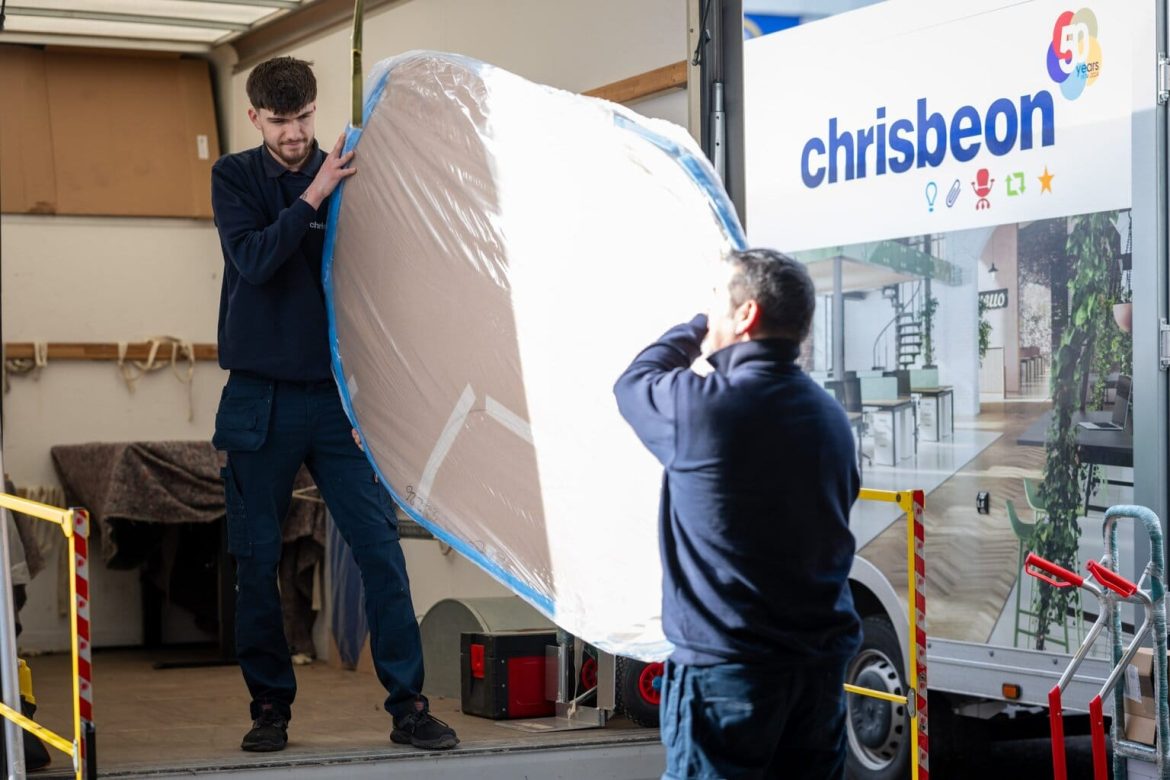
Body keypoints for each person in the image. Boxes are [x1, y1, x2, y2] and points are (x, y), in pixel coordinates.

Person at [210, 56, 458, 753]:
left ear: (316, 109)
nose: (295, 134)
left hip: (339, 399)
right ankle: (269, 711)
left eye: (305, 118)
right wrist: (313, 194)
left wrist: (371, 391)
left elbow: (380, 287)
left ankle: (409, 706)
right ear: (255, 117)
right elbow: (254, 262)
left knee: (381, 552)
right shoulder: (235, 179)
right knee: (257, 560)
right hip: (258, 396)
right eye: (282, 122)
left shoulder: (354, 171)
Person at [614, 248, 860, 779]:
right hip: (817, 676)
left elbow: (634, 382)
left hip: (728, 678)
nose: (708, 313)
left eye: (715, 301)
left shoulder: (703, 407)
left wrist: (695, 328)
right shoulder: (831, 419)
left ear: (746, 315)